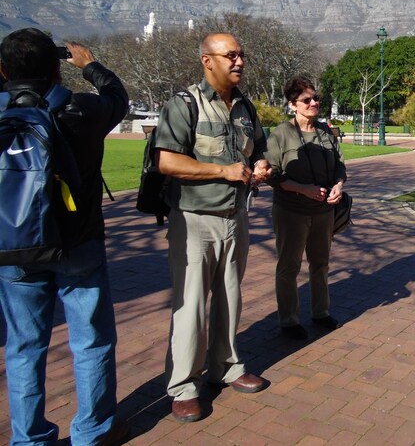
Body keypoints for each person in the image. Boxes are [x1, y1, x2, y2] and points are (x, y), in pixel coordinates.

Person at [0, 29, 129, 445]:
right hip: (78, 242)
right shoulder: (83, 109)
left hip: (15, 245)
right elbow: (117, 96)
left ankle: (29, 438)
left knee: (24, 348)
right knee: (90, 342)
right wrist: (88, 64)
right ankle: (92, 431)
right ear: (57, 68)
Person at [154, 33, 272, 423]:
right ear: (208, 60)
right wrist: (223, 171)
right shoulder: (184, 104)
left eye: (242, 54)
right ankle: (184, 385)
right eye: (231, 55)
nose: (239, 61)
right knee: (190, 308)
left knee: (230, 296)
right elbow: (168, 162)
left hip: (236, 218)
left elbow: (260, 148)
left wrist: (261, 167)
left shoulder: (244, 107)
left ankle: (226, 366)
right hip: (194, 221)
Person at [264, 76, 346, 341]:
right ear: (292, 105)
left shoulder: (325, 132)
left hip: (323, 212)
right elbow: (272, 175)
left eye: (316, 98)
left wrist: (338, 186)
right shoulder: (280, 134)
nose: (314, 103)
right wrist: (303, 189)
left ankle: (321, 312)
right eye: (306, 100)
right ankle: (288, 320)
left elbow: (339, 167)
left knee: (320, 264)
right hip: (291, 211)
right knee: (289, 266)